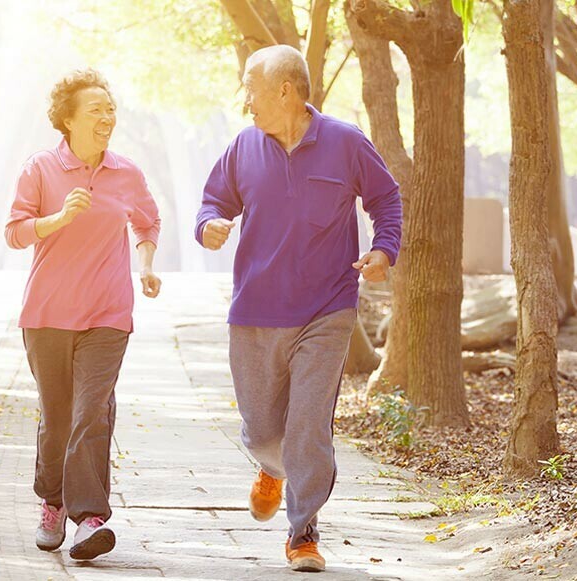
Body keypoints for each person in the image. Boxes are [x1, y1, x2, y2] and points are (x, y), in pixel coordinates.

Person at [195, 45, 403, 572]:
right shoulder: (244, 147)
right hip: (255, 311)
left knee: (309, 424)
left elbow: (386, 199)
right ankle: (272, 465)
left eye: (251, 88)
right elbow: (213, 202)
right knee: (264, 429)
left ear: (284, 89)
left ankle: (303, 530)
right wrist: (210, 226)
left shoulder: (346, 143)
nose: (246, 101)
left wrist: (383, 250)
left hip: (326, 309)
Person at [4, 68, 161, 561]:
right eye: (95, 109)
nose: (107, 117)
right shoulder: (40, 169)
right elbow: (15, 231)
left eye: (110, 109)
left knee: (92, 413)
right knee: (58, 418)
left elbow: (148, 220)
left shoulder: (126, 173)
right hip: (48, 313)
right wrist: (59, 218)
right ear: (67, 120)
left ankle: (90, 519)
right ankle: (51, 502)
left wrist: (147, 264)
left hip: (108, 314)